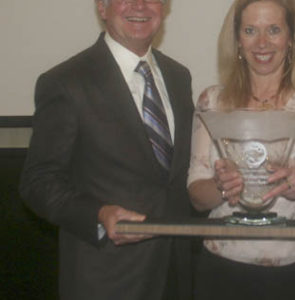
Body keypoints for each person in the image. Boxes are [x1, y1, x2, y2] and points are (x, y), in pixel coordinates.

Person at [19, 0, 194, 299]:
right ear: (102, 7)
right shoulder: (65, 82)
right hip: (106, 278)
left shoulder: (179, 76)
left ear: (163, 8)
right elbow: (38, 181)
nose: (140, 5)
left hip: (177, 273)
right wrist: (99, 214)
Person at [187, 0, 295, 299]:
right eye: (250, 30)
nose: (262, 42)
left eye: (274, 30)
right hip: (222, 269)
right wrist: (222, 187)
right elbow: (197, 196)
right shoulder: (212, 101)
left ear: (291, 37)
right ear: (237, 39)